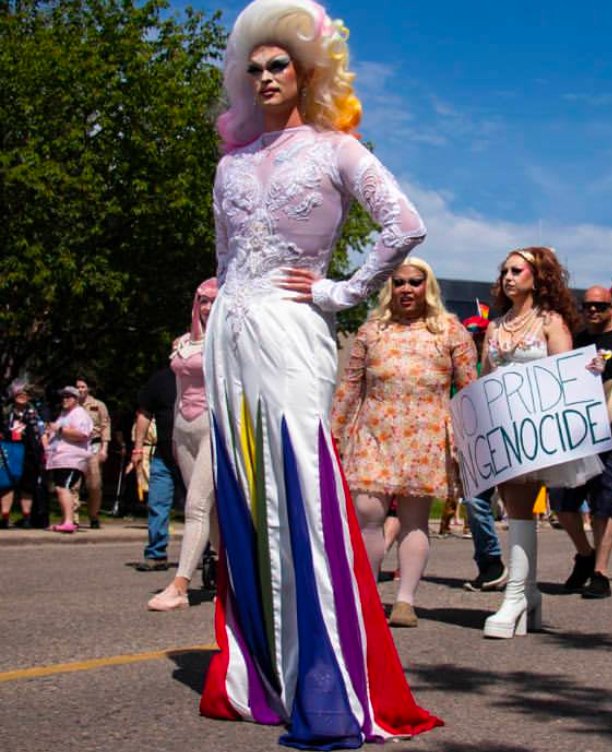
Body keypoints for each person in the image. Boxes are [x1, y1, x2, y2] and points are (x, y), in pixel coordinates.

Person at [200, 1, 440, 744]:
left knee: (301, 488)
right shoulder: (229, 163)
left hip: (294, 329)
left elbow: (403, 222)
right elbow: (222, 258)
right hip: (231, 335)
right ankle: (265, 667)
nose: (266, 76)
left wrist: (341, 291)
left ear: (307, 72)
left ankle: (330, 675)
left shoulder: (336, 149)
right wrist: (211, 311)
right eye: (256, 67)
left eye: (280, 65)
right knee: (243, 493)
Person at [331, 257, 478, 628]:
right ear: (389, 287)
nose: (406, 289)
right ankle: (365, 598)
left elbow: (470, 388)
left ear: (428, 286)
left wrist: (474, 439)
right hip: (373, 431)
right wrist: (334, 432)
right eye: (399, 282)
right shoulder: (371, 330)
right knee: (368, 514)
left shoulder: (451, 331)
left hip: (426, 435)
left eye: (415, 282)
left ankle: (404, 601)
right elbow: (350, 386)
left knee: (413, 520)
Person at [480, 246, 601, 638]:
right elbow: (485, 379)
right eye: (504, 272)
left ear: (537, 276)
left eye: (517, 270)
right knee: (515, 507)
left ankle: (516, 595)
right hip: (505, 427)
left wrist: (589, 369)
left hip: (540, 428)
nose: (508, 277)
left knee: (520, 504)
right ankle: (526, 593)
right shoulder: (495, 326)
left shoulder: (551, 320)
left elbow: (564, 374)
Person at [556, 286, 612, 600]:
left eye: (599, 306)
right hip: (577, 437)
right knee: (564, 505)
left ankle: (600, 572)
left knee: (603, 505)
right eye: (588, 306)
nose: (592, 311)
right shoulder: (578, 340)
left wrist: (610, 412)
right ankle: (585, 555)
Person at [146, 279, 220, 611]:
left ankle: (180, 585)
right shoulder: (183, 343)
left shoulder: (232, 340)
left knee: (196, 507)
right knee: (212, 511)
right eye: (202, 301)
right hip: (184, 429)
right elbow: (177, 392)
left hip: (214, 429)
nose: (206, 307)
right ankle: (231, 579)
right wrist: (174, 437)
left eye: (213, 301)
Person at [456, 313, 508, 593]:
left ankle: (524, 572)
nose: (475, 339)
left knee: (520, 506)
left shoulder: (495, 361)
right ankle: (490, 563)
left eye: (480, 334)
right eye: (470, 334)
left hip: (503, 435)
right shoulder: (457, 363)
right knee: (474, 502)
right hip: (473, 441)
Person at [129, 366, 181, 571]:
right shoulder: (160, 380)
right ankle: (156, 553)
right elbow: (144, 414)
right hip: (164, 454)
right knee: (157, 503)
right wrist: (138, 449)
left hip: (195, 455)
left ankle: (206, 554)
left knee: (201, 509)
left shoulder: (204, 376)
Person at [43, 387, 93, 534]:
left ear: (76, 399)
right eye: (63, 397)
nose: (65, 400)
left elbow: (82, 434)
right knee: (61, 488)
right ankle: (65, 519)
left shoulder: (79, 414)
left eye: (69, 397)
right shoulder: (64, 414)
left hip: (72, 458)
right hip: (60, 457)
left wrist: (59, 430)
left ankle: (69, 522)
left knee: (63, 488)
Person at [1, 381, 47, 529]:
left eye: (25, 394)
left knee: (27, 486)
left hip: (29, 452)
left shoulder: (35, 412)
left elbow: (42, 432)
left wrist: (46, 451)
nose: (23, 396)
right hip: (8, 451)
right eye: (19, 393)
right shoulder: (6, 411)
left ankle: (27, 518)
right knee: (6, 485)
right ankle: (5, 517)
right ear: (14, 395)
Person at [76, 376, 109, 528]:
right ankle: (73, 517)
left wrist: (104, 448)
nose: (80, 390)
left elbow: (105, 426)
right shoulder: (72, 405)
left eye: (83, 387)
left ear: (88, 388)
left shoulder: (98, 405)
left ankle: (94, 515)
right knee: (73, 484)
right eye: (78, 387)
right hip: (75, 447)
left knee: (94, 484)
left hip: (93, 446)